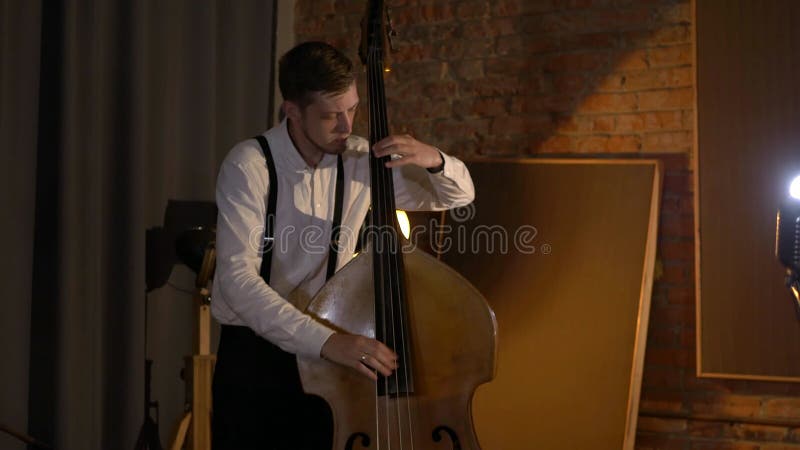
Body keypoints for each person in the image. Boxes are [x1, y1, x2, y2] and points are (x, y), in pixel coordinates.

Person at [210, 41, 475, 449]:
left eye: (352, 109)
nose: (347, 126)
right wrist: (329, 342)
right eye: (332, 115)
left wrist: (434, 159)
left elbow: (456, 197)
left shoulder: (360, 159)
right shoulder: (249, 165)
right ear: (292, 111)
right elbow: (236, 281)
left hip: (331, 355)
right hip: (257, 357)